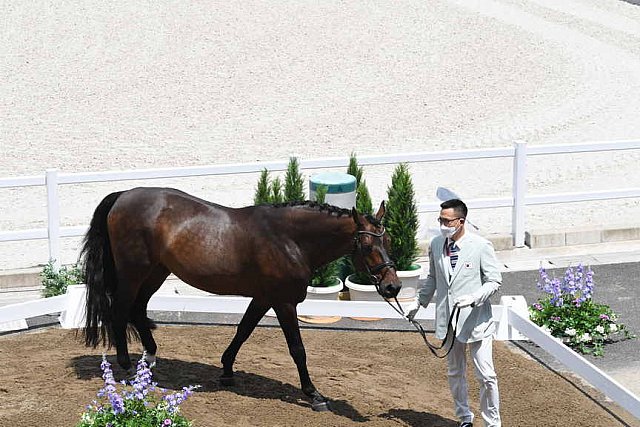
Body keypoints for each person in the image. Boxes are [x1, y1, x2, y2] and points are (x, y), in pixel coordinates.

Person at [407, 198, 502, 427]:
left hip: (476, 320)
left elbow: (494, 281)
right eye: (440, 220)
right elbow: (433, 278)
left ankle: (493, 423)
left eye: (446, 220)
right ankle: (464, 418)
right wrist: (418, 302)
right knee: (455, 372)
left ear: (460, 221)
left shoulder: (481, 246)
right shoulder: (437, 244)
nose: (442, 224)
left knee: (487, 375)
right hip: (448, 321)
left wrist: (475, 297)